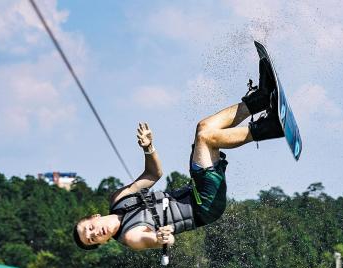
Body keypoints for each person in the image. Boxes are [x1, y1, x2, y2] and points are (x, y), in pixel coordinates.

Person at [73, 67, 284, 251]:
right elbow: (154, 239)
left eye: (89, 228)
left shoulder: (118, 199)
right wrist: (160, 238)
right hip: (204, 206)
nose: (95, 233)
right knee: (205, 138)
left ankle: (261, 99)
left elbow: (153, 174)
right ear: (102, 243)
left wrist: (148, 148)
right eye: (92, 239)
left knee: (203, 128)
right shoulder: (130, 236)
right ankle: (269, 127)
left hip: (196, 190)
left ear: (94, 217)